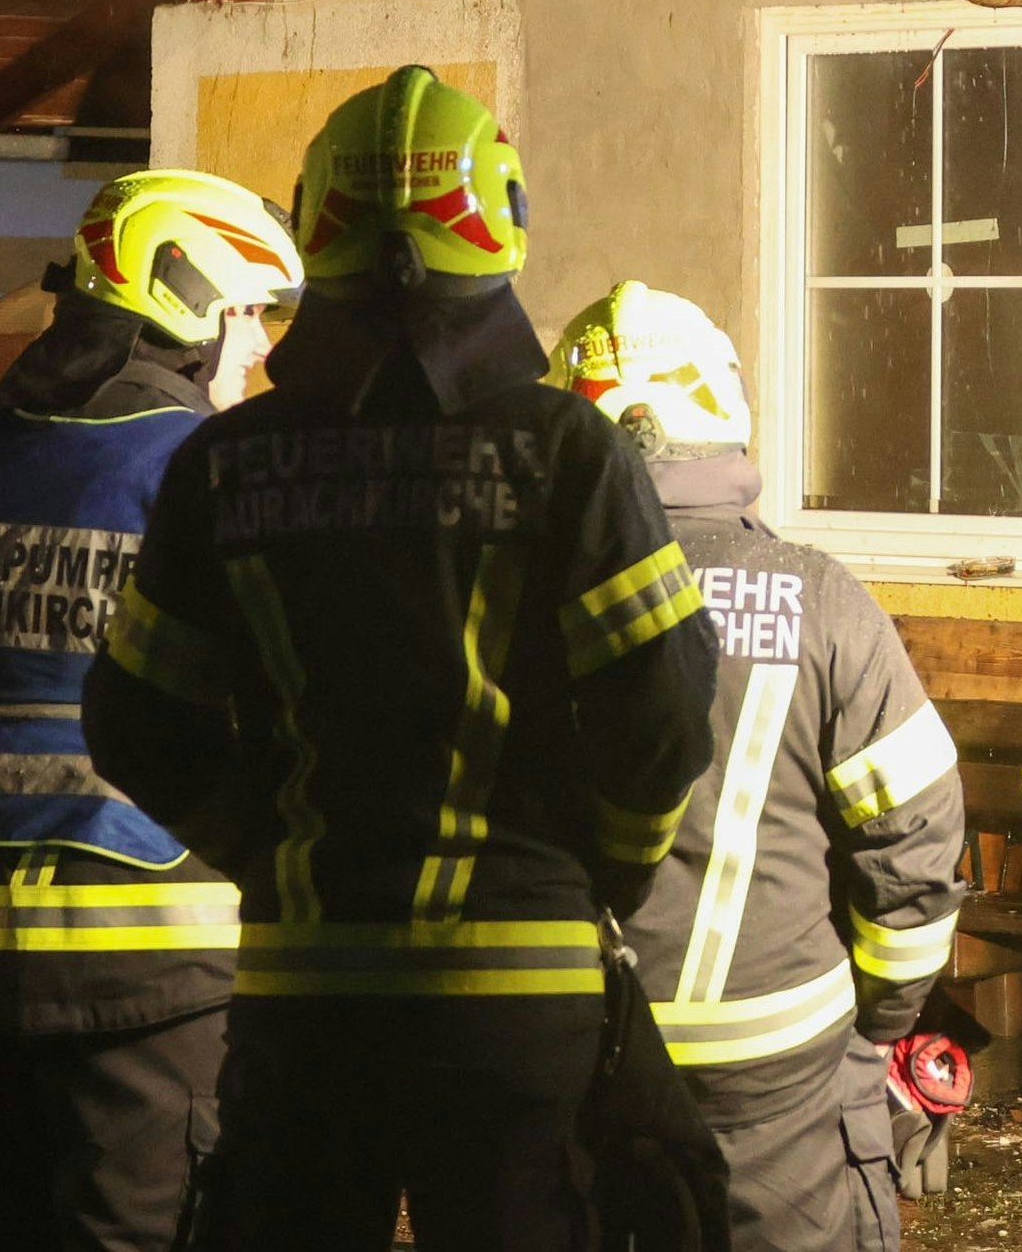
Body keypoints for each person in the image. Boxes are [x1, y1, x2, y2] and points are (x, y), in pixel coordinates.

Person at [83, 65, 719, 1252]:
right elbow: (666, 717)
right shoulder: (571, 452)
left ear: (314, 225)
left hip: (304, 1002)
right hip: (519, 1003)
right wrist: (598, 874)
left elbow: (131, 720)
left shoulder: (220, 464)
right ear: (501, 224)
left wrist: (262, 850)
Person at [0, 171, 304, 1252]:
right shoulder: (208, 475)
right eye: (251, 317)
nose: (261, 352)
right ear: (195, 305)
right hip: (143, 940)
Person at [553, 281, 966, 1252]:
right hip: (781, 1068)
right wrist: (880, 1017)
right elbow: (917, 839)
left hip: (577, 1049)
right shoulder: (822, 602)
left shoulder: (526, 595)